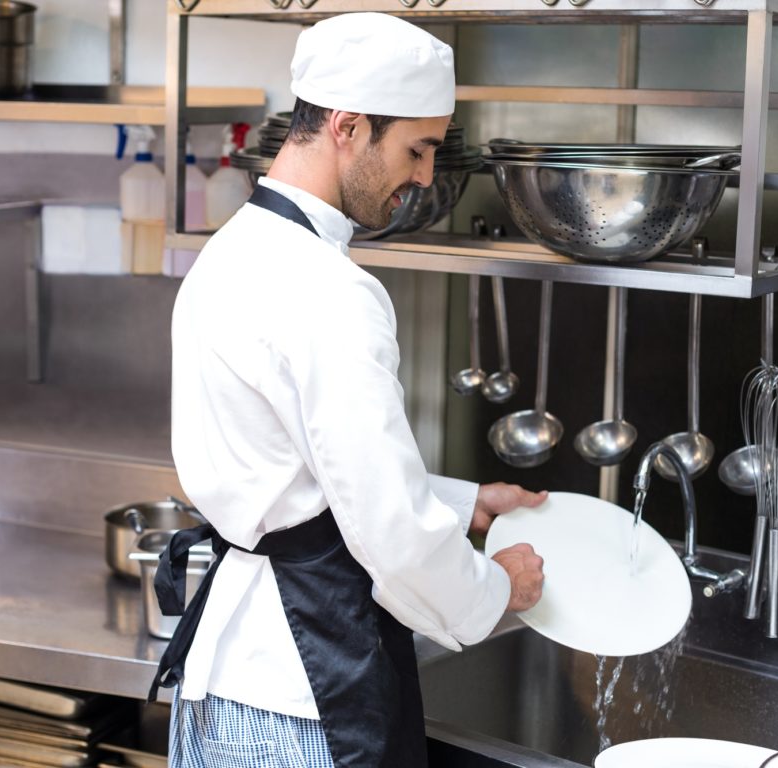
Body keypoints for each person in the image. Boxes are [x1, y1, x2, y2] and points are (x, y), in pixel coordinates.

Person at [153, 12, 547, 768]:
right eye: (418, 148)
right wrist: (494, 589)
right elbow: (390, 531)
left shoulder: (233, 250)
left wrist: (466, 505)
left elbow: (299, 471)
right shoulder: (329, 290)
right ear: (347, 126)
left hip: (223, 687)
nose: (427, 176)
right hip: (300, 698)